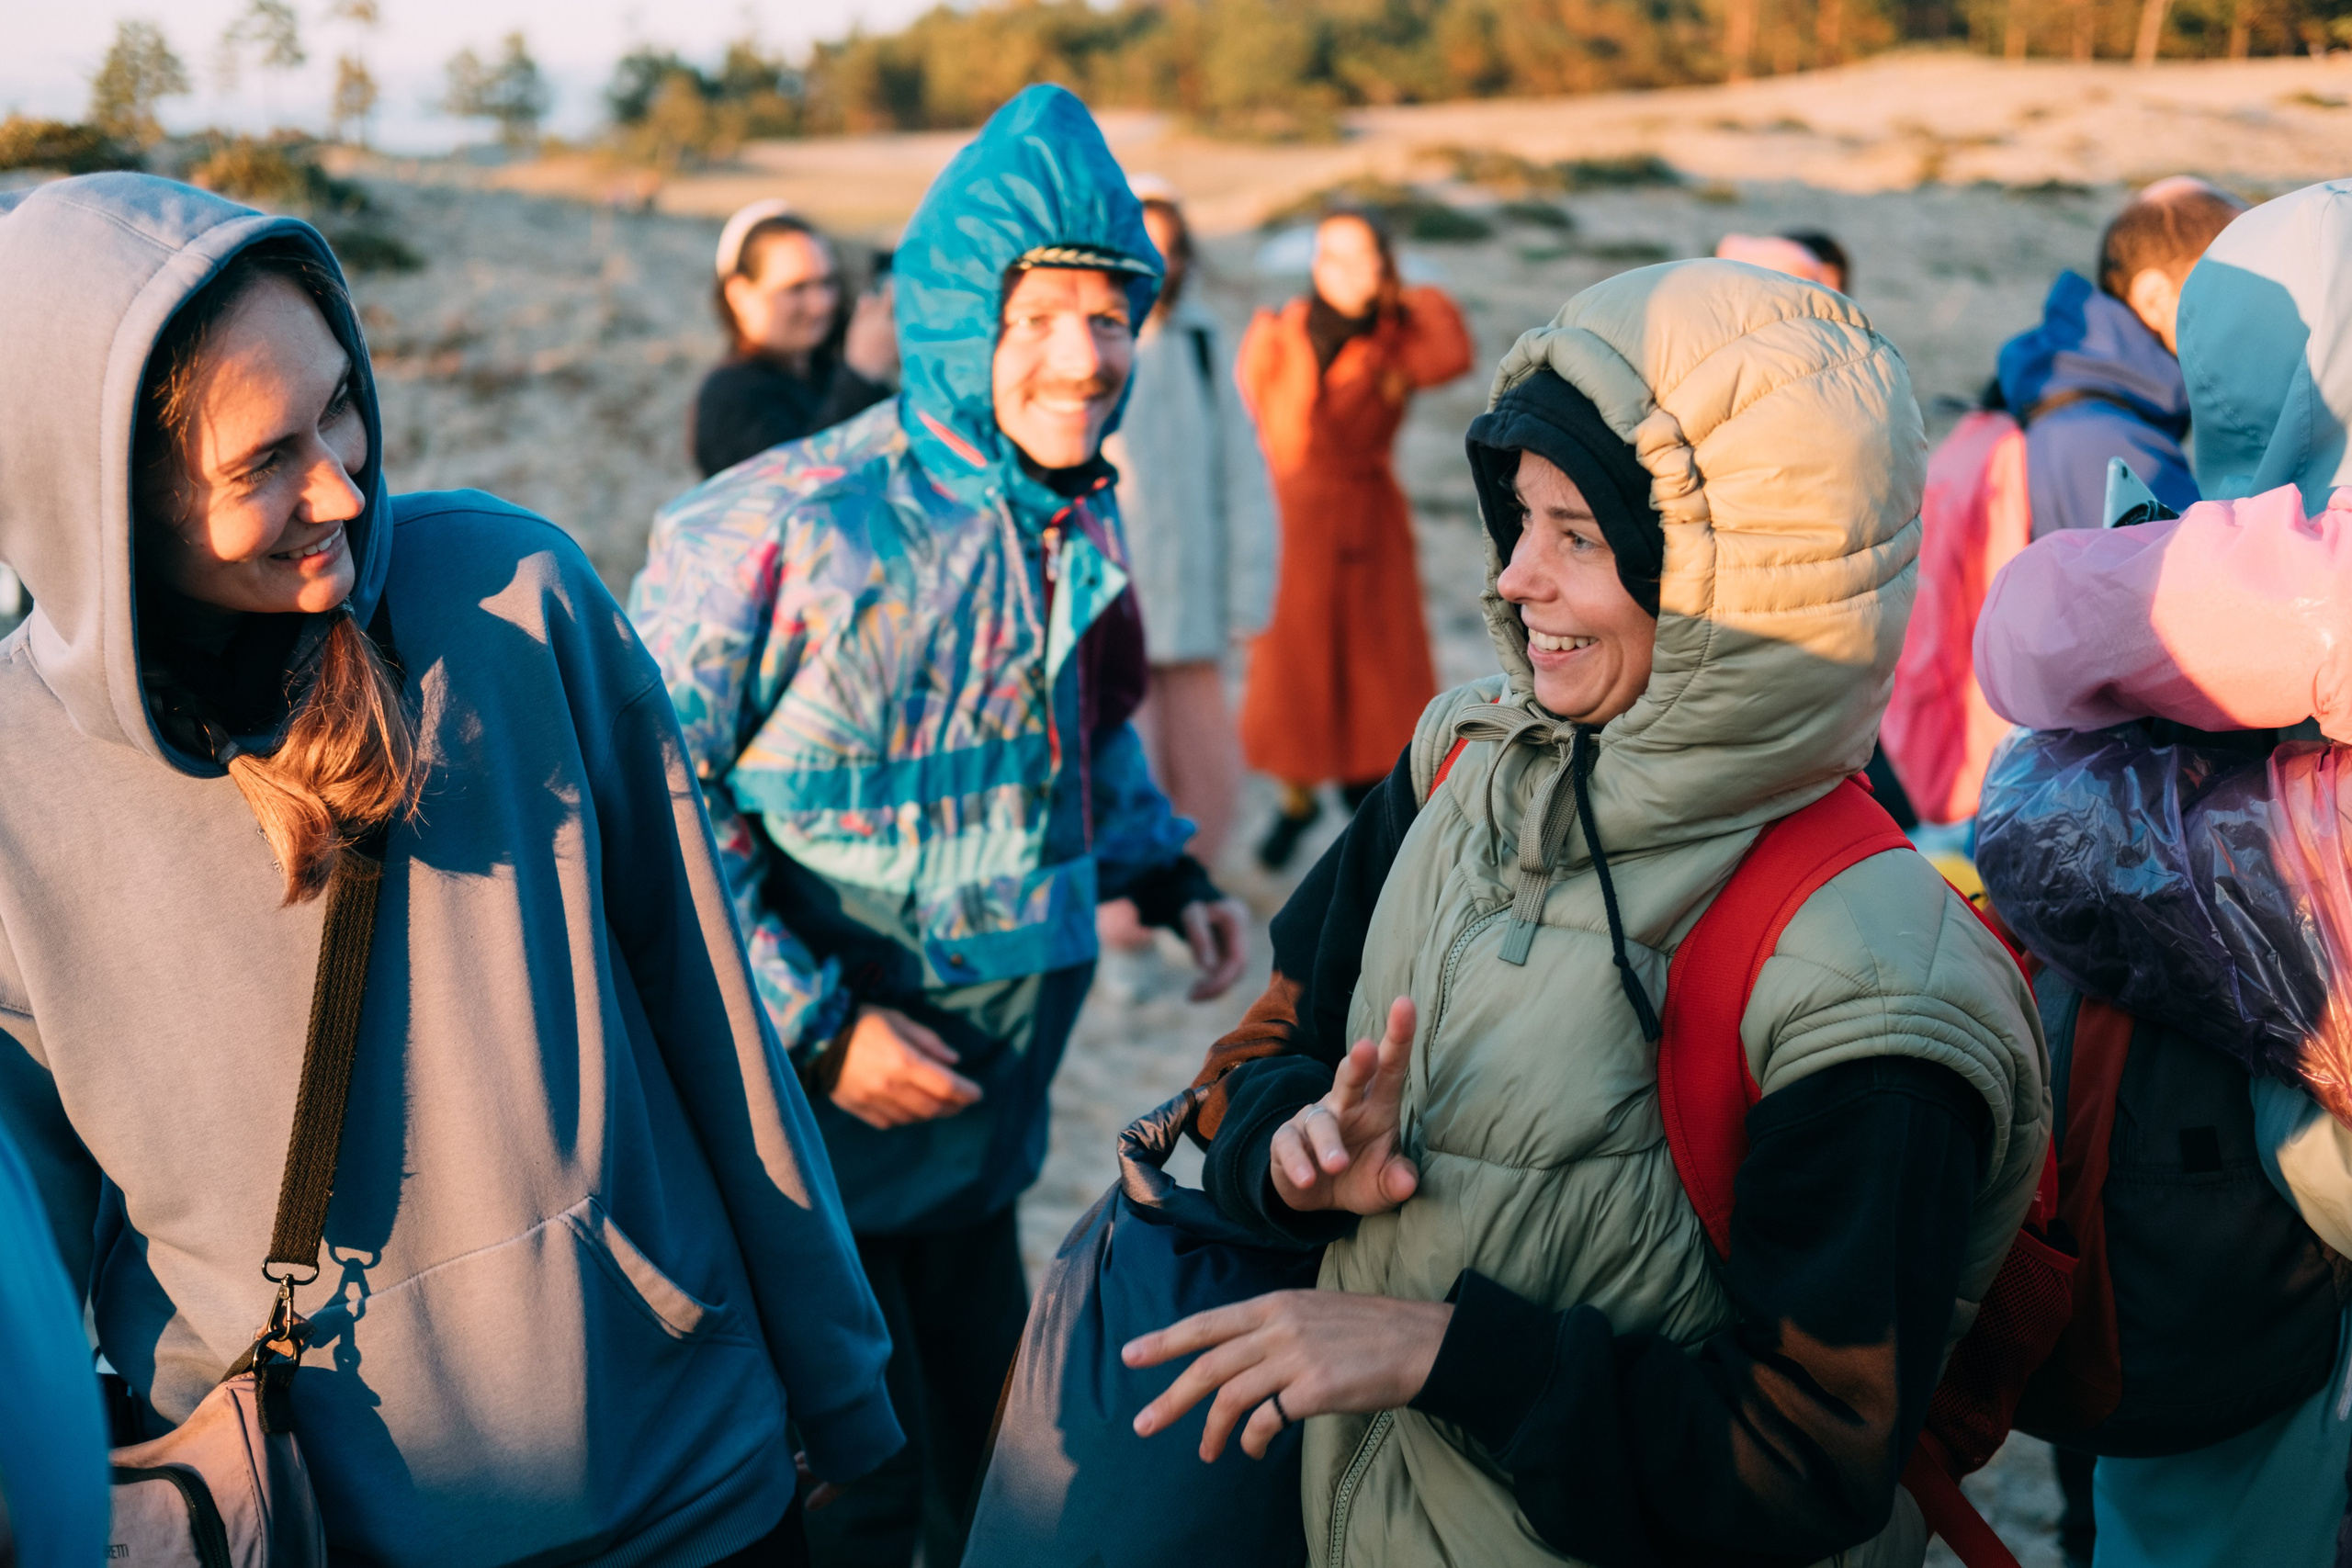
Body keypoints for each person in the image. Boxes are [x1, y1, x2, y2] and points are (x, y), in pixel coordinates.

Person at [0, 174, 899, 1568]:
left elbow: (714, 1021)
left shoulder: (509, 599)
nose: (344, 485)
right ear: (99, 499)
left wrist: (849, 1403)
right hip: (305, 1518)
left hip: (686, 1479)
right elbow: (22, 1249)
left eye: (341, 403)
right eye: (264, 462)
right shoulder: (13, 774)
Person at [1125, 261, 2048, 1567]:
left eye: (1578, 537)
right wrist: (1291, 1152)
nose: (1512, 579)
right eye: (1521, 522)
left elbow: (1804, 1456)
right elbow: (1251, 1057)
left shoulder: (1871, 972)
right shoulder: (1457, 763)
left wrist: (1444, 1350)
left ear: (1733, 584)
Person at [629, 86, 1250, 1568]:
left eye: (1112, 319)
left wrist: (1165, 867)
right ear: (964, 313)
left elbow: (1077, 731)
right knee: (848, 1474)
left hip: (995, 1095)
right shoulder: (775, 521)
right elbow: (655, 803)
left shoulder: (1076, 511)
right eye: (1042, 316)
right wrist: (823, 1024)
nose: (1083, 357)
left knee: (990, 1453)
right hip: (821, 1112)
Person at [1970, 178, 2352, 1568]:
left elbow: (2021, 654)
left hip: (2175, 1282)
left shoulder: (2137, 558)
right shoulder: (2237, 577)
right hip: (2267, 1263)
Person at [1238, 208, 1472, 870]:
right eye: (1330, 254)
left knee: (1371, 681)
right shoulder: (1277, 333)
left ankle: (1364, 814)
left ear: (1383, 266)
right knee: (1293, 678)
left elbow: (1454, 351)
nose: (1342, 270)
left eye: (1362, 257)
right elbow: (1258, 417)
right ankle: (1294, 803)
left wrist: (1403, 292)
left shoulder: (1397, 338)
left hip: (1367, 523)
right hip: (1290, 520)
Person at [1099, 177, 1276, 880]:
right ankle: (1125, 931)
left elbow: (1242, 477)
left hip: (1196, 607)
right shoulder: (1098, 347)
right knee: (1124, 778)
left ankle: (1189, 900)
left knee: (1210, 778)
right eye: (1144, 248)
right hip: (1118, 611)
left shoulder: (1205, 342)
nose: (1159, 264)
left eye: (1171, 249)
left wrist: (1246, 598)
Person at [1994, 177, 2245, 539]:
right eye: (2243, 289)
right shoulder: (2111, 449)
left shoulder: (2072, 397)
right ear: (2157, 300)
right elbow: (2205, 590)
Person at [693, 200, 898, 479]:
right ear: (739, 294)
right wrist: (862, 373)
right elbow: (795, 491)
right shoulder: (727, 397)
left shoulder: (824, 373)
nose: (822, 304)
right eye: (796, 289)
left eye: (827, 283)